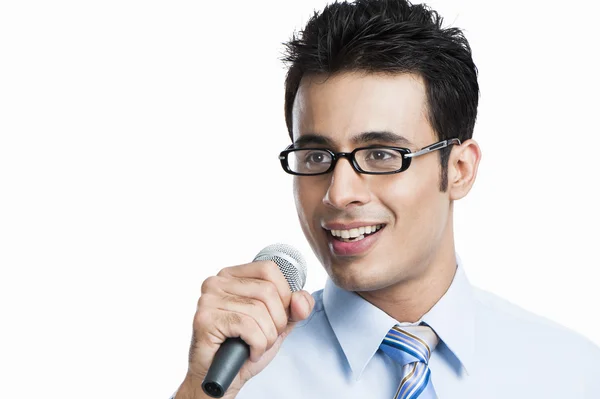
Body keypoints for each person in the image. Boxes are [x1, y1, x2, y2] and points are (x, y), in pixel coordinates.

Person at [171, 0, 600, 398]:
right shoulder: (236, 379)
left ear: (460, 169)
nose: (339, 193)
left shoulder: (573, 373)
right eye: (317, 156)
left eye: (380, 155)